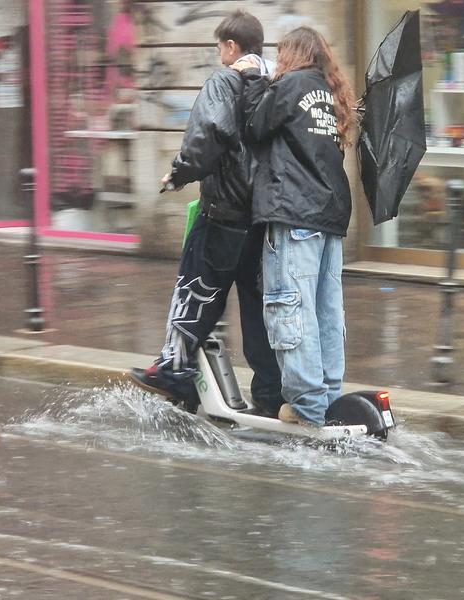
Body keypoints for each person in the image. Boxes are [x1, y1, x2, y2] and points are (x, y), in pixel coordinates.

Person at [130, 10, 282, 417]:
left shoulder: (226, 80)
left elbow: (208, 134)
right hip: (263, 216)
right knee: (257, 308)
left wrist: (178, 174)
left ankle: (174, 370)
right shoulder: (276, 84)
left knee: (197, 291)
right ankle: (271, 396)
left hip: (223, 210)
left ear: (231, 46)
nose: (219, 55)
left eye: (219, 47)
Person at [232, 27, 357, 426]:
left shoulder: (291, 85)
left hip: (293, 213)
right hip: (331, 217)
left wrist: (253, 78)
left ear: (291, 55)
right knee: (326, 311)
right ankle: (328, 396)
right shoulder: (331, 92)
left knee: (291, 309)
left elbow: (253, 127)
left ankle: (307, 406)